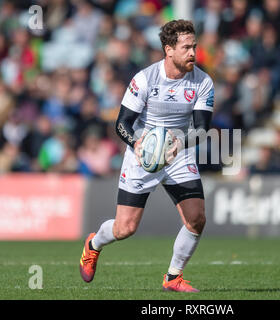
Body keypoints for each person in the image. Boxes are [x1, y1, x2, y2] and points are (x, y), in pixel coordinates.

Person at [79, 19, 214, 292]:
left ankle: (173, 276)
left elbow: (201, 129)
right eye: (186, 47)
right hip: (143, 154)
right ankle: (94, 243)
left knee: (197, 219)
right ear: (169, 50)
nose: (193, 53)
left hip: (178, 151)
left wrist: (179, 146)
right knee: (125, 228)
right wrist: (137, 144)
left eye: (194, 47)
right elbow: (121, 123)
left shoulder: (203, 81)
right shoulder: (145, 79)